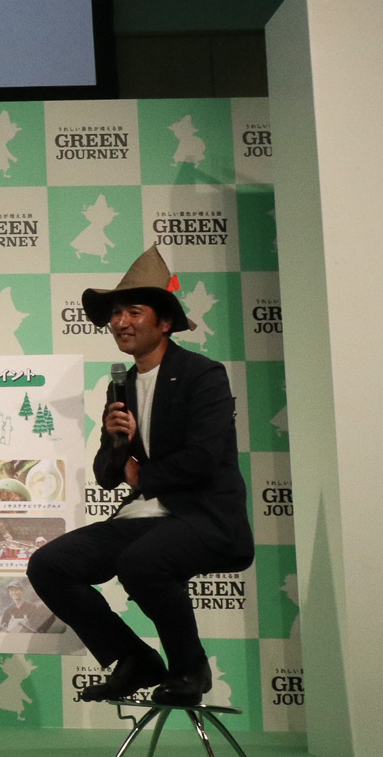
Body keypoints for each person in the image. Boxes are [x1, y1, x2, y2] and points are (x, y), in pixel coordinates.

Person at [26, 247, 254, 706]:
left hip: (206, 518)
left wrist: (140, 473)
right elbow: (108, 476)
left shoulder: (202, 375)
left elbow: (205, 459)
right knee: (49, 566)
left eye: (133, 311)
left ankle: (190, 668)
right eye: (115, 313)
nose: (120, 322)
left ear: (164, 322)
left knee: (141, 562)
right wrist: (115, 443)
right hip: (145, 516)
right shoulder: (122, 384)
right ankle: (134, 659)